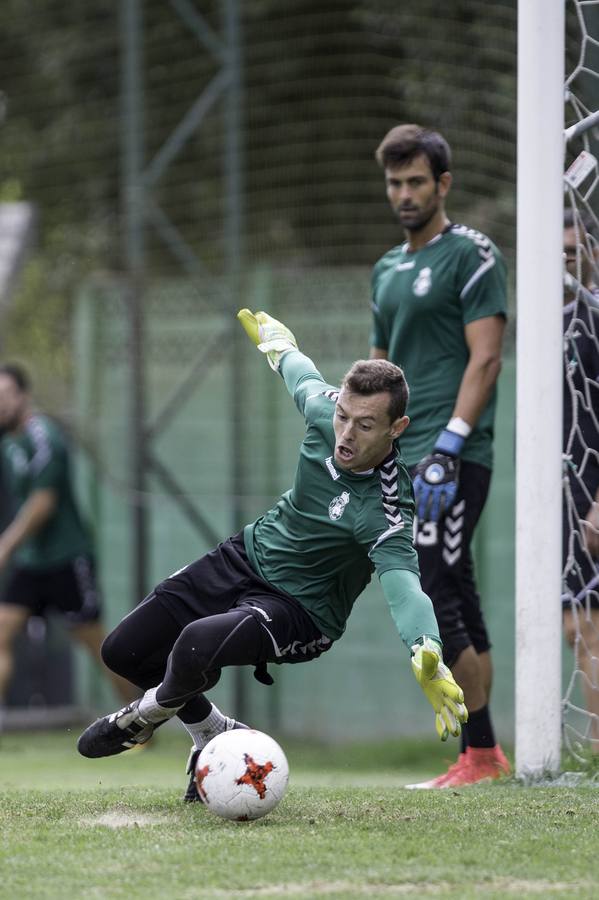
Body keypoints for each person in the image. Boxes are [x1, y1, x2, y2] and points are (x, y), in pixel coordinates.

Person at [77, 310, 468, 801]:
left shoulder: (387, 507)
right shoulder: (326, 412)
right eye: (343, 416)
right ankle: (210, 733)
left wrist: (426, 647)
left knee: (195, 644)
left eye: (365, 425)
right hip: (247, 555)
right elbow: (300, 373)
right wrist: (278, 344)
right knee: (123, 651)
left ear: (398, 428)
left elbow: (404, 585)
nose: (346, 433)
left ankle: (143, 718)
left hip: (300, 611)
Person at [369, 124, 509, 788]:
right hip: (404, 458)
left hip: (452, 457)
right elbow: (378, 367)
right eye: (394, 183)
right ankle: (484, 755)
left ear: (442, 184)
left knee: (435, 585)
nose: (403, 194)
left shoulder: (472, 255)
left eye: (415, 182)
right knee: (454, 587)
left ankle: (478, 754)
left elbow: (485, 358)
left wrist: (448, 444)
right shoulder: (385, 268)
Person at [0, 363, 135, 720]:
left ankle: (141, 722)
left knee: (98, 647)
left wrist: (6, 546)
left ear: (23, 397)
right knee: (2, 632)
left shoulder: (45, 436)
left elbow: (43, 502)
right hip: (31, 562)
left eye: (4, 396)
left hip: (66, 559)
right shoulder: (9, 444)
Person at [561, 210, 599, 746]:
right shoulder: (556, 320)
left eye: (575, 250)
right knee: (575, 628)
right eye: (558, 252)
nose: (566, 261)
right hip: (564, 494)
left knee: (587, 627)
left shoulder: (594, 318)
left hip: (593, 493)